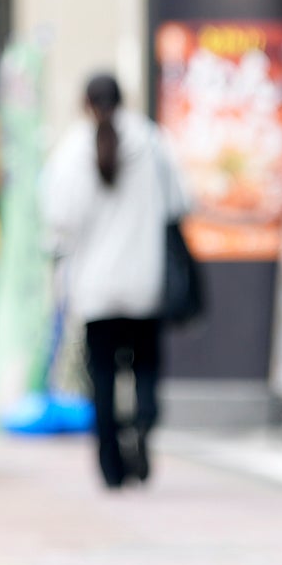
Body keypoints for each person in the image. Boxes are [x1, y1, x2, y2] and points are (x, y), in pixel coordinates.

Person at [39, 73, 188, 490]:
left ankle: (109, 465)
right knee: (146, 366)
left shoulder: (73, 149)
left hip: (95, 286)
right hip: (146, 279)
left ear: (85, 103)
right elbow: (180, 202)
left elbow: (58, 217)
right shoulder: (152, 141)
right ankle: (141, 424)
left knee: (102, 374)